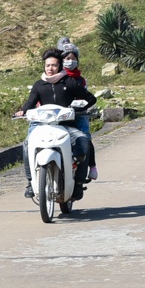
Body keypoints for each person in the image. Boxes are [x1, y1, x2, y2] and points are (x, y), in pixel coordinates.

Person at [17, 50, 97, 189]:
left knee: (84, 141)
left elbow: (91, 98)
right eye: (47, 65)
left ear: (59, 66)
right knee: (27, 145)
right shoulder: (39, 85)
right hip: (42, 125)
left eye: (54, 65)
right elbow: (31, 102)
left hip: (66, 126)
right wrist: (22, 111)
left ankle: (78, 182)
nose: (50, 69)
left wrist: (78, 109)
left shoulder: (70, 82)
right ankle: (31, 182)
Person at [61, 45, 97, 177]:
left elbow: (87, 97)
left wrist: (81, 106)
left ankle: (91, 166)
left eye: (73, 58)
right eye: (67, 58)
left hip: (79, 113)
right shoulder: (58, 78)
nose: (70, 61)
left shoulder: (80, 80)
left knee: (85, 138)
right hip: (62, 115)